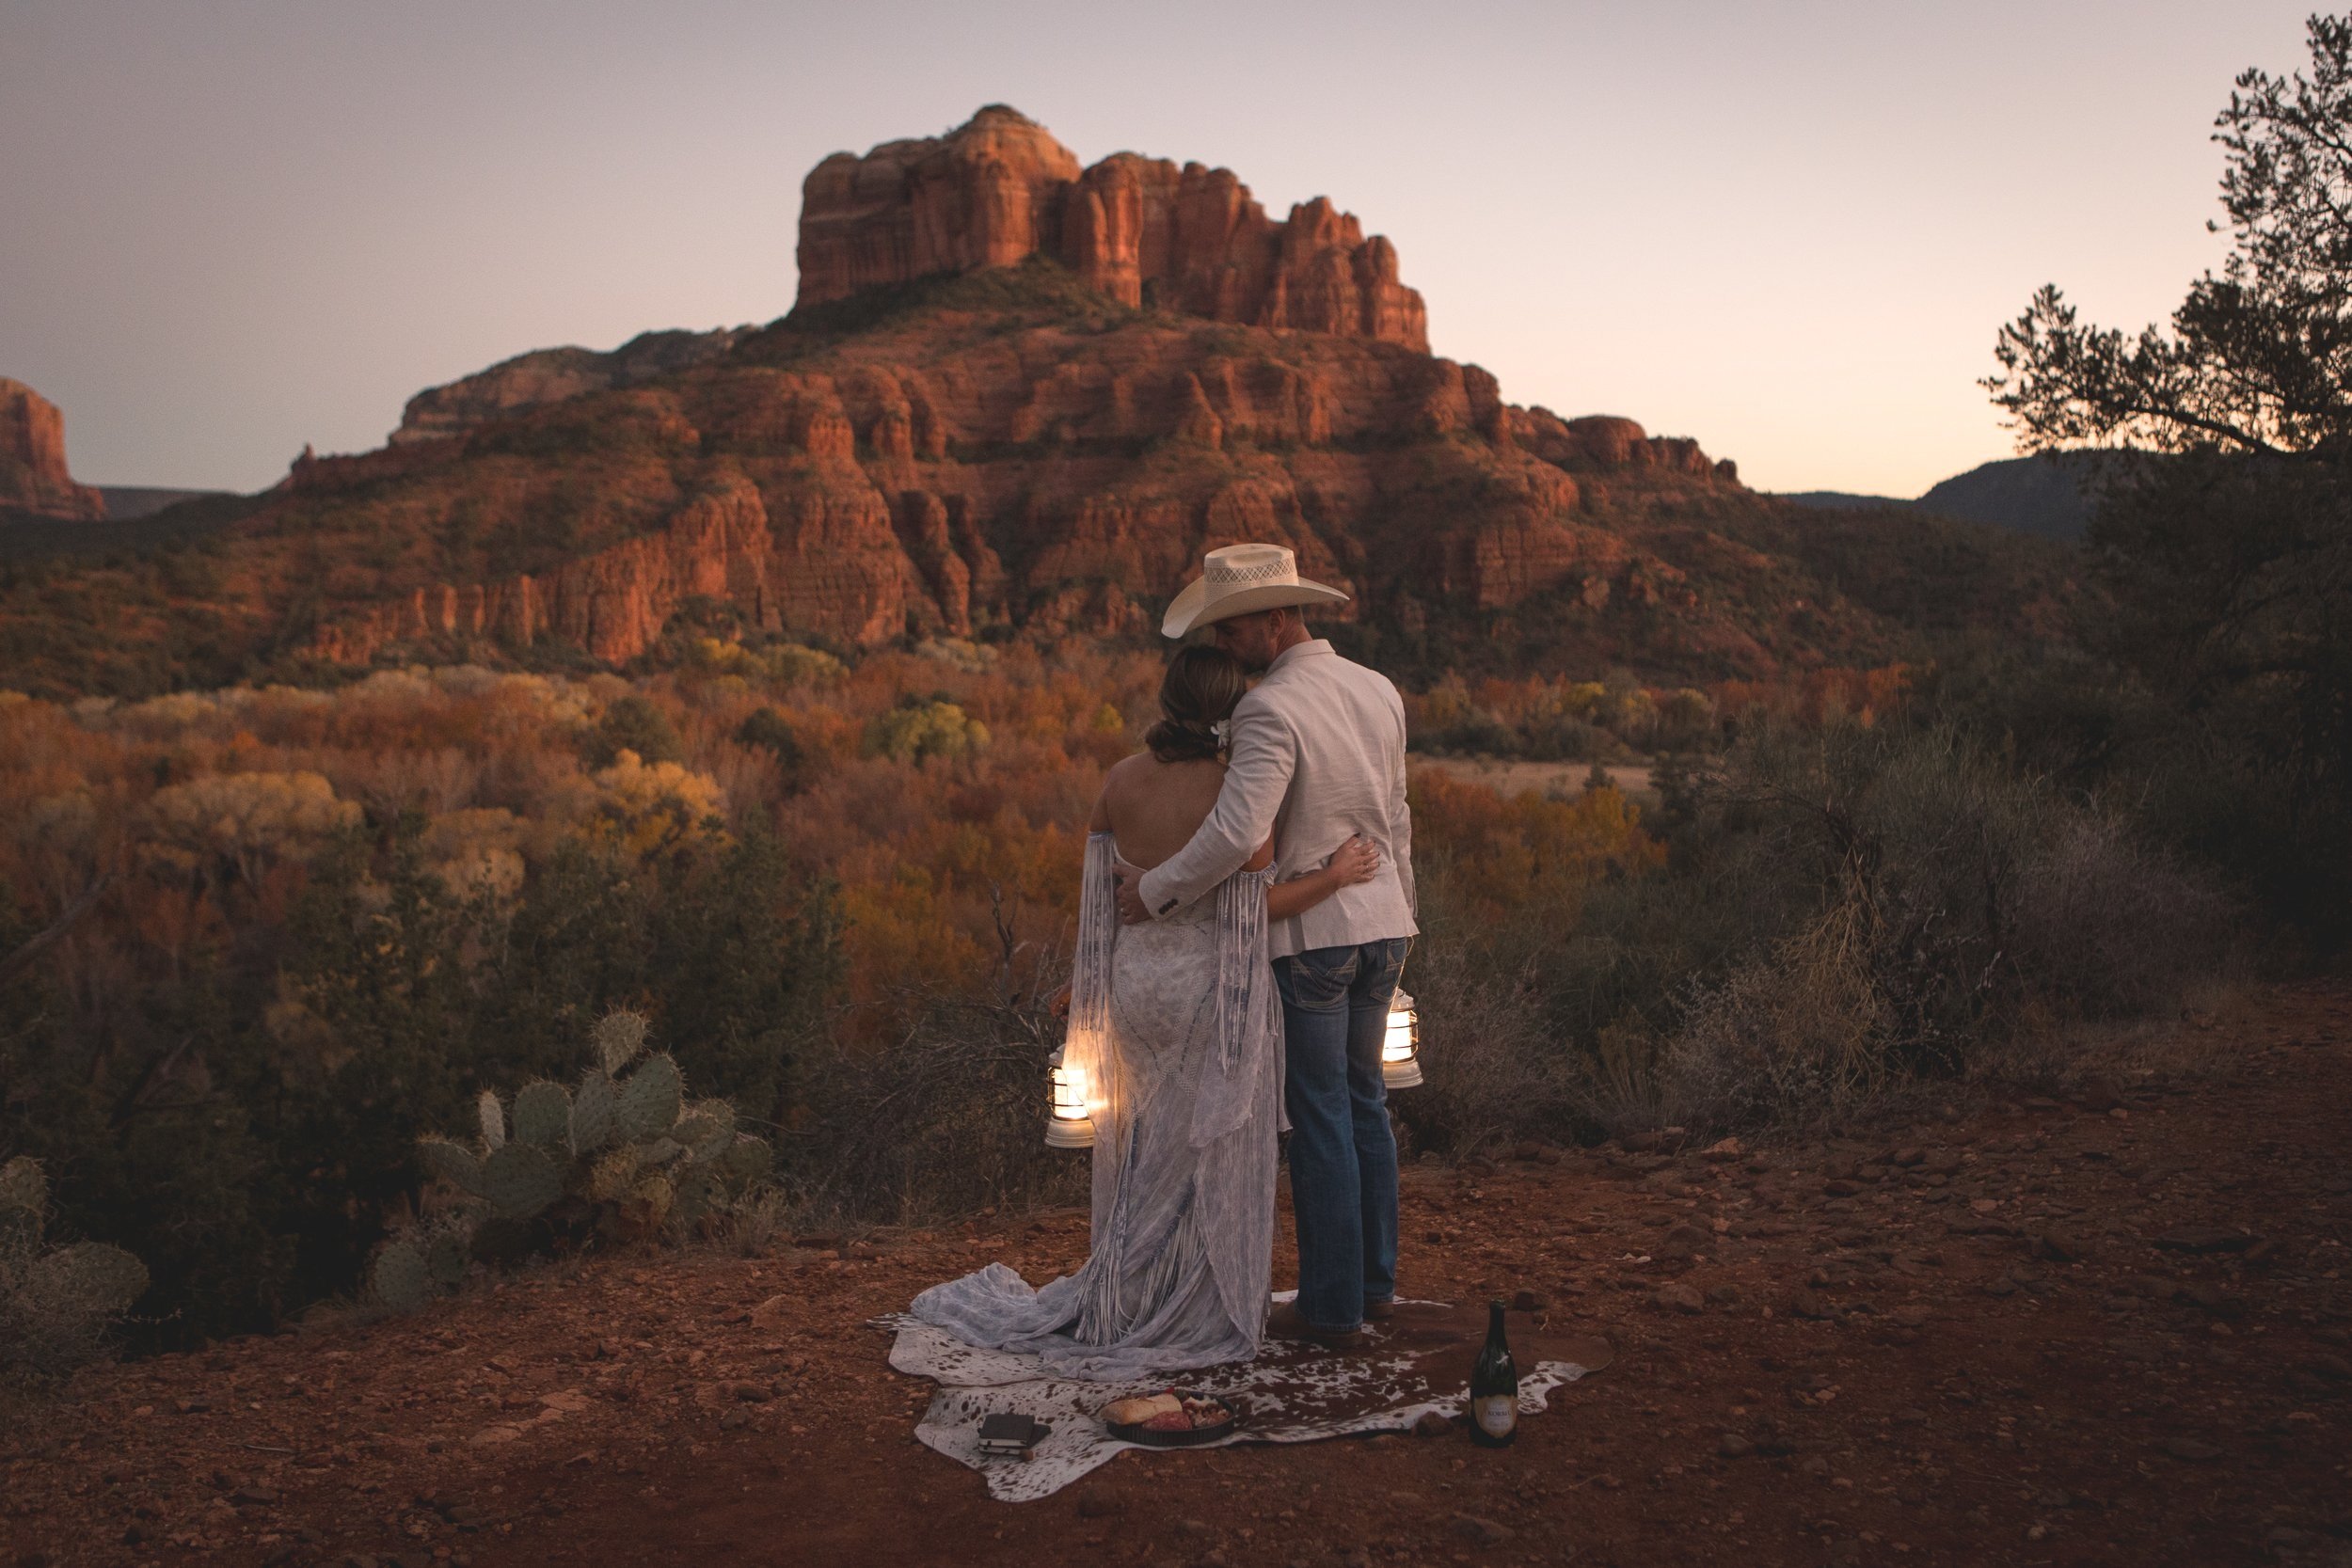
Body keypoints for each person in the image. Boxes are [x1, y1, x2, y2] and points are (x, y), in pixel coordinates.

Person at [906, 643, 1380, 1378]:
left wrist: (1084, 992)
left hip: (1136, 987)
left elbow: (1100, 901)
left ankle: (1126, 1296)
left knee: (1139, 1150)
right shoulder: (1236, 793)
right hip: (1208, 994)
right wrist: (1334, 876)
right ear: (1229, 710)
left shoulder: (1120, 781)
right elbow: (1248, 913)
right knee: (1206, 1157)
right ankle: (1197, 1304)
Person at [1114, 542, 1416, 1351]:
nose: (1224, 646)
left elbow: (1235, 833)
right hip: (1382, 925)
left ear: (1276, 619)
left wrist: (1153, 889)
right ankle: (1375, 1286)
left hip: (1314, 938)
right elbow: (1397, 813)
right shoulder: (1377, 689)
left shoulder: (1267, 709)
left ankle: (1330, 1307)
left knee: (1321, 1113)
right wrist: (1404, 912)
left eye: (1233, 628)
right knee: (1364, 1104)